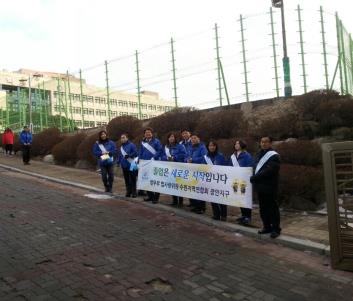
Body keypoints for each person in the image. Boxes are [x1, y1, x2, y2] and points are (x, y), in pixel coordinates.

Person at [250, 136, 281, 239]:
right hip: (260, 186)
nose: (263, 144)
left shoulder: (274, 156)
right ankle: (266, 226)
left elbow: (269, 170)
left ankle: (276, 229)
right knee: (263, 208)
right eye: (262, 142)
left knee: (272, 208)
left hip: (270, 186)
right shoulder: (258, 154)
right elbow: (256, 167)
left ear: (270, 143)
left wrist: (255, 177)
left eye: (266, 142)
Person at [230, 140, 254, 225]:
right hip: (236, 179)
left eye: (238, 143)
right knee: (239, 197)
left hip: (244, 180)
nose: (236, 145)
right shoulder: (233, 156)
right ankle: (243, 215)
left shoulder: (247, 155)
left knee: (245, 198)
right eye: (235, 143)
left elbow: (250, 166)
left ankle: (248, 216)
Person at [203, 140, 228, 221]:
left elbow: (224, 167)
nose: (211, 147)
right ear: (208, 147)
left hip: (220, 180)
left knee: (221, 198)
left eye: (213, 145)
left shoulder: (220, 156)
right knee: (212, 197)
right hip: (210, 180)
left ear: (216, 147)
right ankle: (216, 214)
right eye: (210, 146)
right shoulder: (206, 156)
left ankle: (223, 215)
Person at [162, 132, 187, 207]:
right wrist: (166, 158)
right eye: (170, 137)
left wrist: (174, 157)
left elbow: (184, 154)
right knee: (172, 185)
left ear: (175, 138)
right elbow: (162, 155)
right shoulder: (166, 147)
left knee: (179, 185)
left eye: (173, 137)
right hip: (170, 168)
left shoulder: (180, 146)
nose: (171, 138)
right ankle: (175, 201)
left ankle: (180, 202)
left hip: (178, 168)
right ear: (168, 138)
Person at [139, 127, 162, 204]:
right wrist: (139, 160)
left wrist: (154, 157)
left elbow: (160, 150)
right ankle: (150, 196)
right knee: (146, 180)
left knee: (155, 180)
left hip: (154, 163)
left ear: (152, 133)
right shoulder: (143, 142)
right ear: (144, 134)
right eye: (146, 132)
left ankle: (156, 198)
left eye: (149, 132)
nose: (147, 133)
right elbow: (141, 152)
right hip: (145, 164)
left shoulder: (156, 141)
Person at [186, 134, 208, 214]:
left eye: (195, 138)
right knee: (193, 188)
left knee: (200, 189)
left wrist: (193, 160)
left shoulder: (202, 147)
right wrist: (187, 160)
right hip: (191, 171)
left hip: (200, 170)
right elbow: (186, 156)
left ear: (199, 139)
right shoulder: (190, 147)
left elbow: (204, 158)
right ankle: (196, 206)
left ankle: (202, 207)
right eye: (192, 138)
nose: (193, 140)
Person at [118, 133, 138, 198]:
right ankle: (128, 191)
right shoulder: (121, 147)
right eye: (121, 138)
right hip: (124, 165)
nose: (122, 139)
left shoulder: (132, 145)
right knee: (126, 179)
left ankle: (134, 192)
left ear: (127, 138)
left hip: (132, 164)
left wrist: (129, 155)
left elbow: (135, 153)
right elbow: (120, 156)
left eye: (124, 137)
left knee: (133, 179)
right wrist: (119, 162)